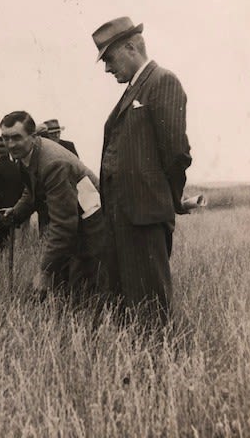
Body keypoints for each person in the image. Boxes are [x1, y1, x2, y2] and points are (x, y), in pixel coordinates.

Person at [92, 17, 192, 325]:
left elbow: (176, 154)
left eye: (109, 58)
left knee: (151, 310)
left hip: (144, 217)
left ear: (131, 47)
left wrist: (168, 201)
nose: (107, 68)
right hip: (122, 219)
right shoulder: (133, 90)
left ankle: (160, 369)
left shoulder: (163, 81)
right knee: (124, 309)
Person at [0, 111, 105, 298]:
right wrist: (16, 212)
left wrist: (44, 271)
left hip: (92, 221)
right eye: (5, 138)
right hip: (75, 217)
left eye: (16, 138)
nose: (10, 144)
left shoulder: (53, 163)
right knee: (63, 285)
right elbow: (32, 191)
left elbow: (64, 225)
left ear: (33, 136)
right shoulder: (25, 154)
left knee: (82, 288)